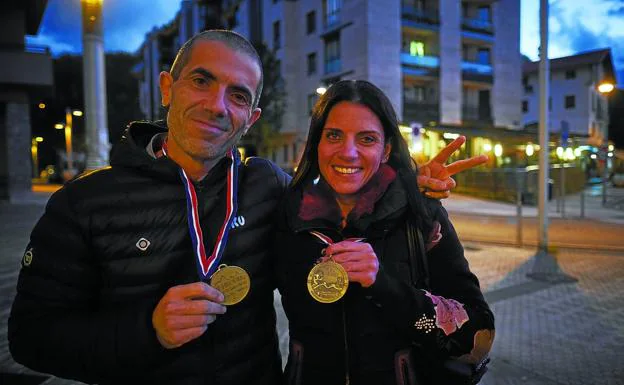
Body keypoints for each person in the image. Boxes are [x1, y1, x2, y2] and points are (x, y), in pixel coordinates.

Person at [8, 30, 484, 384]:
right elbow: (30, 338)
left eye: (237, 95)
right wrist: (146, 331)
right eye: (201, 81)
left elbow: (347, 194)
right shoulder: (83, 202)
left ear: (251, 116)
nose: (217, 105)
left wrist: (409, 189)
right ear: (167, 87)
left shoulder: (268, 188)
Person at [274, 80, 495, 385]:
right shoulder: (288, 216)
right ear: (317, 143)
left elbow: (479, 335)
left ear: (386, 149)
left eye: (366, 139)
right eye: (334, 135)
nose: (348, 152)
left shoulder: (421, 217)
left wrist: (383, 285)